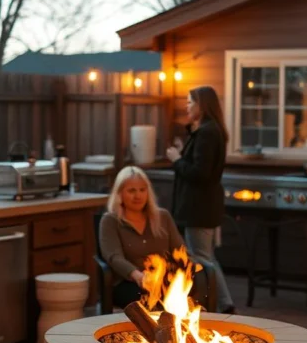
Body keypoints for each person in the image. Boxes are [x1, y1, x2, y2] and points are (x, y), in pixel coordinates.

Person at [165, 85, 235, 314]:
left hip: (199, 208)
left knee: (203, 258)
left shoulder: (207, 132)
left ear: (202, 105)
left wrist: (176, 159)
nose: (187, 106)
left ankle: (223, 304)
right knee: (207, 255)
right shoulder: (208, 130)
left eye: (190, 102)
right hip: (204, 207)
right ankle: (221, 301)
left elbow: (200, 173)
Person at [98, 166, 209, 308]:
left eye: (142, 190)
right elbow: (114, 257)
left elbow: (179, 250)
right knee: (154, 297)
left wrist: (190, 267)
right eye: (131, 190)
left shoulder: (163, 217)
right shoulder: (110, 220)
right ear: (119, 194)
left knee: (193, 286)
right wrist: (138, 276)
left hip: (165, 279)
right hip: (129, 283)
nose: (138, 196)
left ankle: (189, 325)